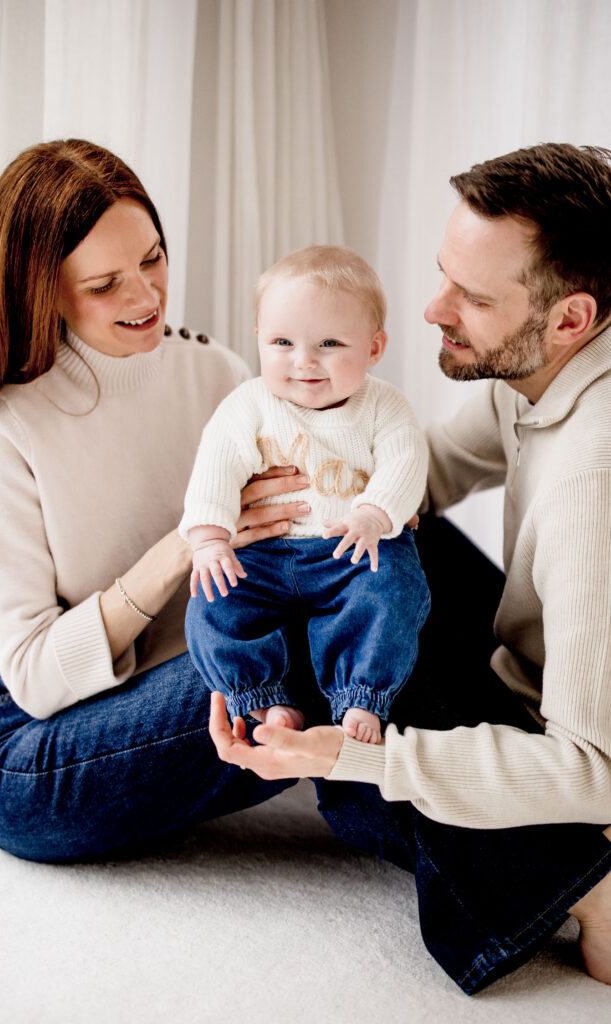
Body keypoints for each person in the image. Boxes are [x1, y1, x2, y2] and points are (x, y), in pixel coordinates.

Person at [209, 143, 611, 993]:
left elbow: (593, 773)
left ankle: (586, 881)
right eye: (442, 276)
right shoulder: (540, 369)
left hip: (581, 760)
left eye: (471, 296)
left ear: (569, 317)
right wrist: (279, 490)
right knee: (360, 569)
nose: (434, 309)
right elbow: (420, 472)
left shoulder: (593, 483)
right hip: (540, 676)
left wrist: (359, 758)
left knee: (347, 725)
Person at [0, 138, 316, 863]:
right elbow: (39, 680)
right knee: (326, 645)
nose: (145, 297)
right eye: (104, 284)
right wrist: (182, 545)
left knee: (393, 577)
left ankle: (552, 830)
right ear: (40, 288)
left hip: (168, 687)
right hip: (27, 749)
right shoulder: (6, 428)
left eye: (152, 259)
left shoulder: (215, 374)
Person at [180, 245, 430, 744]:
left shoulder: (383, 406)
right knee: (211, 601)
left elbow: (406, 462)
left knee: (393, 588)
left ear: (374, 348)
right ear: (258, 339)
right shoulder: (248, 404)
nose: (304, 361)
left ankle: (361, 696)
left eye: (330, 343)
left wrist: (375, 516)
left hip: (350, 549)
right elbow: (216, 468)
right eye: (282, 342)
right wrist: (210, 539)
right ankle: (264, 699)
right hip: (265, 557)